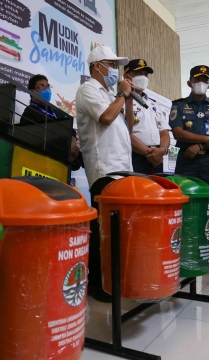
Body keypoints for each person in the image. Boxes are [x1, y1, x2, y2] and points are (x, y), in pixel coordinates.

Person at [75, 45, 134, 302]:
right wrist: (121, 95)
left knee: (117, 229)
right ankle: (97, 285)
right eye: (111, 64)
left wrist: (127, 98)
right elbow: (107, 118)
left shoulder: (111, 94)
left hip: (122, 169)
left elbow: (127, 126)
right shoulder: (88, 89)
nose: (115, 70)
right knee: (103, 229)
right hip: (105, 170)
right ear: (97, 65)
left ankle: (115, 278)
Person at [170, 65, 209, 268]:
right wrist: (205, 139)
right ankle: (183, 248)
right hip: (186, 161)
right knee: (184, 204)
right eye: (197, 80)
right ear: (189, 83)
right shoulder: (178, 105)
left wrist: (200, 144)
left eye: (204, 80)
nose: (200, 84)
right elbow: (178, 132)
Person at [21, 74, 82, 168]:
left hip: (65, 161)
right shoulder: (29, 113)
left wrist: (72, 142)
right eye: (41, 86)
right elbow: (32, 141)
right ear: (32, 91)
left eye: (48, 86)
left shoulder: (56, 111)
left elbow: (70, 129)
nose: (46, 90)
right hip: (44, 161)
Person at [123, 59, 171, 174]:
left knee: (158, 190)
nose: (143, 77)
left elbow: (164, 133)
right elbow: (125, 132)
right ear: (126, 76)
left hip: (158, 157)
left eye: (145, 74)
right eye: (138, 74)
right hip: (136, 157)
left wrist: (162, 150)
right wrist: (150, 153)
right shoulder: (121, 101)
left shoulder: (154, 104)